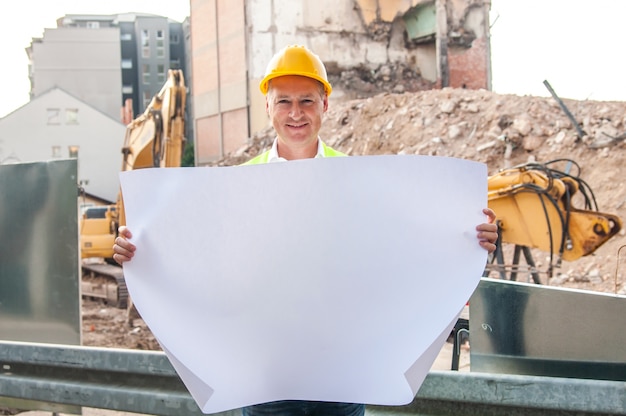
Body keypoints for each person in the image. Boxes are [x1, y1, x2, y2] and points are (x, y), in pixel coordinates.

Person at [113, 45, 498, 416]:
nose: (295, 113)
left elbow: (403, 246)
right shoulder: (240, 185)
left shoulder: (358, 181)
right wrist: (143, 253)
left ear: (325, 105)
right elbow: (204, 256)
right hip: (268, 378)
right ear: (268, 106)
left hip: (342, 375)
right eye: (283, 101)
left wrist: (468, 239)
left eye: (307, 101)